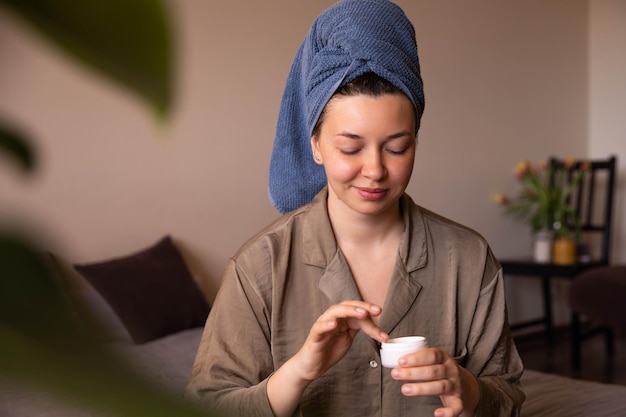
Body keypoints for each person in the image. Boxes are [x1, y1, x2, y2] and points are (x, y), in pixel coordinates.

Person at [185, 1, 525, 416]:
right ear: (315, 145)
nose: (375, 170)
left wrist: (469, 390)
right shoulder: (259, 269)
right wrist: (297, 372)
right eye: (350, 147)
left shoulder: (468, 260)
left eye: (397, 147)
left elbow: (506, 392)